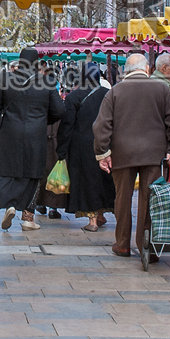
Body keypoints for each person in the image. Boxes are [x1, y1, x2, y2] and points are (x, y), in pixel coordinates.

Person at [93, 53, 170, 258]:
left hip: (122, 153)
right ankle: (147, 246)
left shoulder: (115, 91)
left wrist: (103, 153)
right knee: (150, 199)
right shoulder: (161, 89)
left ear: (126, 71)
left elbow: (102, 125)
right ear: (147, 70)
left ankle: (123, 244)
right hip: (154, 154)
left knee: (122, 198)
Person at [0, 47, 63, 232]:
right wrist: (42, 120)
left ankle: (9, 205)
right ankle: (28, 218)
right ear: (37, 64)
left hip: (10, 132)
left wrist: (0, 113)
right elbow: (59, 110)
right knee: (33, 174)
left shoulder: (5, 78)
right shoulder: (47, 82)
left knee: (6, 170)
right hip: (36, 134)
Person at [58, 61, 114, 231]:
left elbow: (67, 125)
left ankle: (92, 221)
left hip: (81, 146)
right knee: (105, 180)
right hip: (106, 143)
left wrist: (61, 150)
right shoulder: (108, 94)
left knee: (87, 181)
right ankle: (102, 214)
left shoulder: (74, 97)